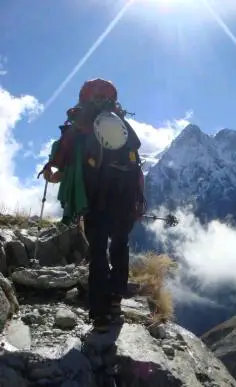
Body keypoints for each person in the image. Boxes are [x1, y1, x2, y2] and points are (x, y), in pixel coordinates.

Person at [42, 78, 145, 333]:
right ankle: (115, 300)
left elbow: (62, 161)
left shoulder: (81, 127)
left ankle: (99, 312)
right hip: (124, 199)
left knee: (98, 251)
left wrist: (54, 174)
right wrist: (139, 200)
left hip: (95, 198)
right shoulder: (124, 128)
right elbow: (137, 166)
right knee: (120, 245)